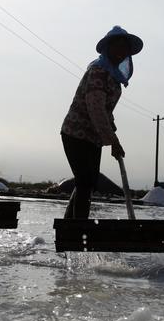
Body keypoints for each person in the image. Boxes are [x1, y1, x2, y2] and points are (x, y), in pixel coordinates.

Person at [60, 26, 143, 219]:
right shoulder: (98, 71)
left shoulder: (113, 77)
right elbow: (95, 108)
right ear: (109, 48)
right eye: (118, 47)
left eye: (125, 49)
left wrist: (112, 134)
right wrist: (112, 141)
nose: (122, 52)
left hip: (93, 137)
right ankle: (77, 229)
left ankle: (70, 227)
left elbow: (106, 111)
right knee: (85, 181)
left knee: (88, 183)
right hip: (75, 133)